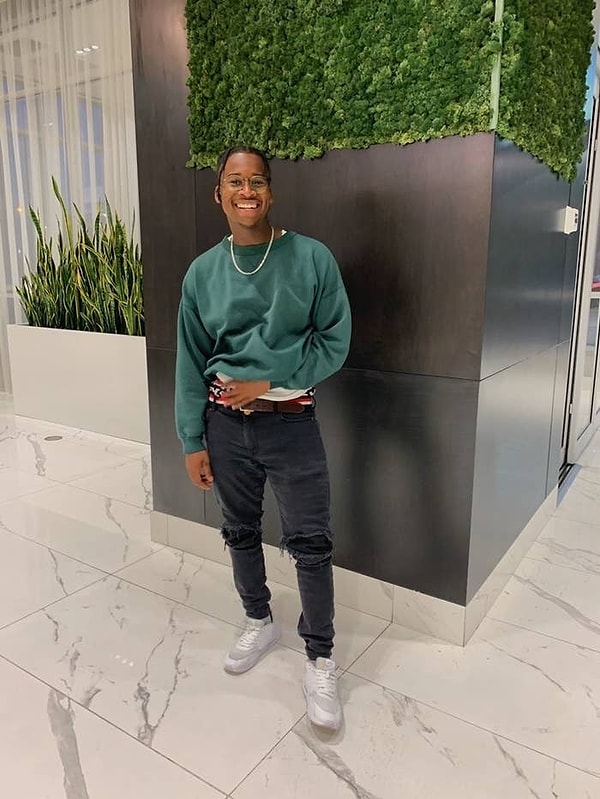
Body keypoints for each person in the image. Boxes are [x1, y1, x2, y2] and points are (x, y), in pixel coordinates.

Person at [175, 145, 351, 731]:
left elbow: (333, 342)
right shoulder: (202, 273)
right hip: (224, 426)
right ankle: (259, 620)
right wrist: (192, 438)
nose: (245, 191)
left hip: (291, 422)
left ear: (270, 192)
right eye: (235, 181)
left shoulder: (311, 258)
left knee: (311, 541)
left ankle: (320, 657)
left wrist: (268, 380)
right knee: (239, 530)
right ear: (219, 193)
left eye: (256, 181)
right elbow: (189, 360)